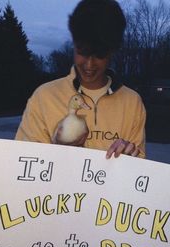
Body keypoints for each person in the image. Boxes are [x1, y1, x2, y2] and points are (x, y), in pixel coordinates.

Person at [15, 0, 146, 159]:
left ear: (112, 51)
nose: (89, 64)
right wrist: (58, 152)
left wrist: (130, 155)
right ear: (74, 45)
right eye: (82, 52)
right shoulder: (44, 97)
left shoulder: (132, 103)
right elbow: (23, 162)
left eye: (99, 54)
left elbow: (138, 170)